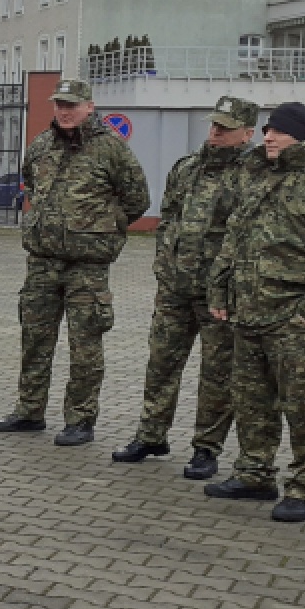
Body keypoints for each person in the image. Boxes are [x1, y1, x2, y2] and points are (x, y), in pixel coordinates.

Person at [203, 102, 305, 522]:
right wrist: (219, 291)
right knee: (251, 400)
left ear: (301, 135)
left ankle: (304, 488)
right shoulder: (256, 178)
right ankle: (254, 473)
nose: (267, 137)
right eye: (267, 130)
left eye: (277, 131)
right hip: (247, 314)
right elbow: (231, 238)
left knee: (302, 406)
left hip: (293, 320)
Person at [0, 78, 149, 445]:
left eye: (72, 105)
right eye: (60, 104)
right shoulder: (42, 146)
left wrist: (102, 228)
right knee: (34, 340)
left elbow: (137, 197)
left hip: (87, 267)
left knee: (85, 345)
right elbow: (31, 184)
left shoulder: (110, 149)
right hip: (43, 262)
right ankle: (29, 411)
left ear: (89, 107)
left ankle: (80, 420)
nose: (64, 111)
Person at [111, 95, 257, 477]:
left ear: (247, 133)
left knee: (217, 372)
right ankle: (151, 434)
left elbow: (251, 235)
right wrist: (163, 263)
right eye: (214, 124)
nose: (215, 131)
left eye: (225, 127)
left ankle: (206, 448)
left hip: (219, 295)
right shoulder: (187, 168)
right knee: (161, 362)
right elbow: (169, 217)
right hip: (175, 287)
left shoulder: (255, 175)